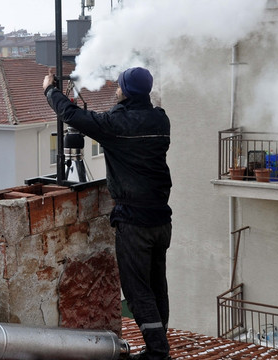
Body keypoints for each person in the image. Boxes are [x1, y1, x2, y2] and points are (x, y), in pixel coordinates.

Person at [43, 67, 173, 360]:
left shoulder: (117, 123)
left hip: (134, 221)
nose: (115, 89)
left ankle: (157, 352)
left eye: (119, 86)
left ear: (125, 90)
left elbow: (73, 117)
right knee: (157, 285)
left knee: (137, 290)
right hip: (161, 219)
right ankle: (159, 343)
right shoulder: (160, 119)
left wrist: (50, 90)